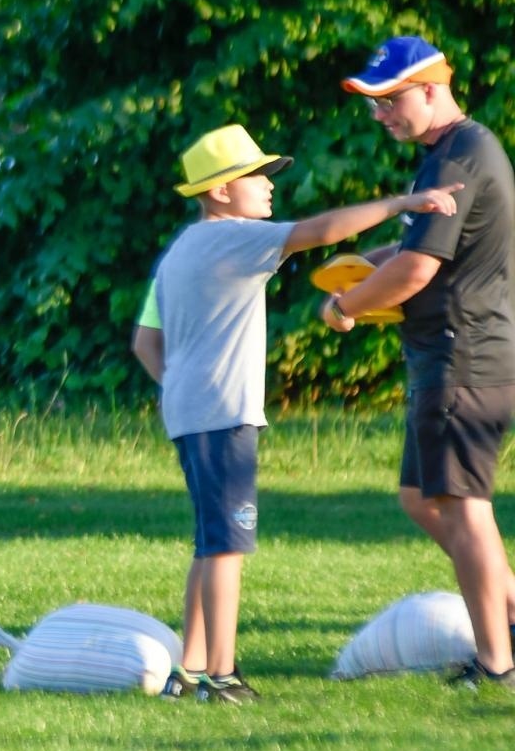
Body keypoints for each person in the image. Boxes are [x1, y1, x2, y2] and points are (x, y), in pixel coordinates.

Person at [152, 123, 462, 703]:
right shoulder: (231, 238)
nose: (269, 186)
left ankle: (189, 670)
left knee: (209, 541)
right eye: (256, 176)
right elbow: (318, 232)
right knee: (227, 546)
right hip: (222, 412)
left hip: (193, 410)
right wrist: (402, 202)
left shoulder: (184, 250)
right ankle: (221, 677)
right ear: (220, 191)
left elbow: (158, 341)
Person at [325, 35, 515, 691]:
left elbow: (416, 270)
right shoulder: (449, 154)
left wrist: (346, 306)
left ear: (432, 89)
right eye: (373, 103)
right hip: (454, 358)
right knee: (420, 498)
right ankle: (508, 617)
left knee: (465, 510)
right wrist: (354, 270)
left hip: (465, 358)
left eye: (389, 100)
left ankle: (497, 664)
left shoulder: (457, 158)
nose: (379, 114)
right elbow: (408, 251)